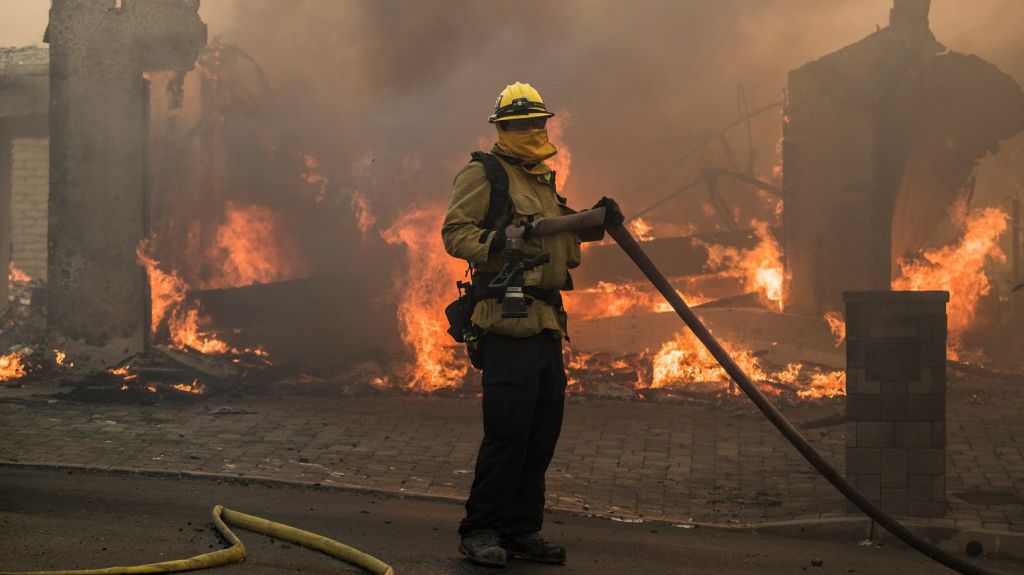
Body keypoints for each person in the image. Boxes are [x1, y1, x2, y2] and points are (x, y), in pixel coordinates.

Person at [441, 81, 622, 567]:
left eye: (534, 123)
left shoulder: (540, 178)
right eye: (517, 124)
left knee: (541, 432)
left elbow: (560, 236)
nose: (528, 130)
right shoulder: (486, 174)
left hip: (544, 320)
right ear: (501, 128)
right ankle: (481, 530)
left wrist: (596, 221)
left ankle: (521, 529)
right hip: (506, 320)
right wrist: (504, 240)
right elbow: (455, 234)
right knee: (507, 431)